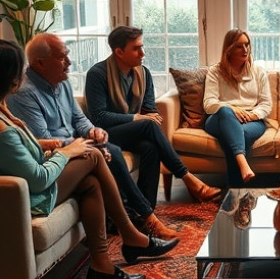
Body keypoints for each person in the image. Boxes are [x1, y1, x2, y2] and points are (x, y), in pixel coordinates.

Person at [0, 40, 178, 279]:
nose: (22, 75)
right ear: (4, 78)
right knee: (94, 156)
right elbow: (38, 179)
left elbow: (14, 148)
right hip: (21, 198)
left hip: (21, 187)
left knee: (90, 182)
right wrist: (65, 151)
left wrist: (45, 144)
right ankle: (131, 235)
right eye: (18, 70)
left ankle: (102, 265)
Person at [6, 33, 177, 240]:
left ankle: (142, 214)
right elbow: (46, 139)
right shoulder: (25, 93)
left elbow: (79, 119)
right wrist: (87, 142)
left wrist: (92, 131)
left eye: (67, 55)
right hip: (54, 155)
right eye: (62, 57)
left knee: (147, 145)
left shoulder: (62, 81)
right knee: (113, 149)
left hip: (77, 144)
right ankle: (147, 215)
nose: (69, 62)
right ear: (40, 63)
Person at [84, 26, 220, 203]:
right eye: (136, 48)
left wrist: (147, 118)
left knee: (150, 147)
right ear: (119, 51)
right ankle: (189, 179)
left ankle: (145, 210)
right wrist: (136, 118)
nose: (143, 53)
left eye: (142, 46)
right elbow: (99, 118)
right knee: (147, 124)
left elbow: (150, 111)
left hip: (129, 132)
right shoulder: (97, 75)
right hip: (106, 135)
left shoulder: (143, 74)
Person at [203, 29, 272, 187]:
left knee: (238, 135)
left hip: (251, 120)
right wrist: (232, 108)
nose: (245, 49)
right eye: (239, 46)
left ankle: (235, 192)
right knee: (226, 112)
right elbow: (209, 104)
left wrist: (253, 115)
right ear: (229, 49)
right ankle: (243, 164)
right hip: (220, 118)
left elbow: (266, 104)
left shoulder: (258, 71)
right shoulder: (215, 71)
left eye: (247, 45)